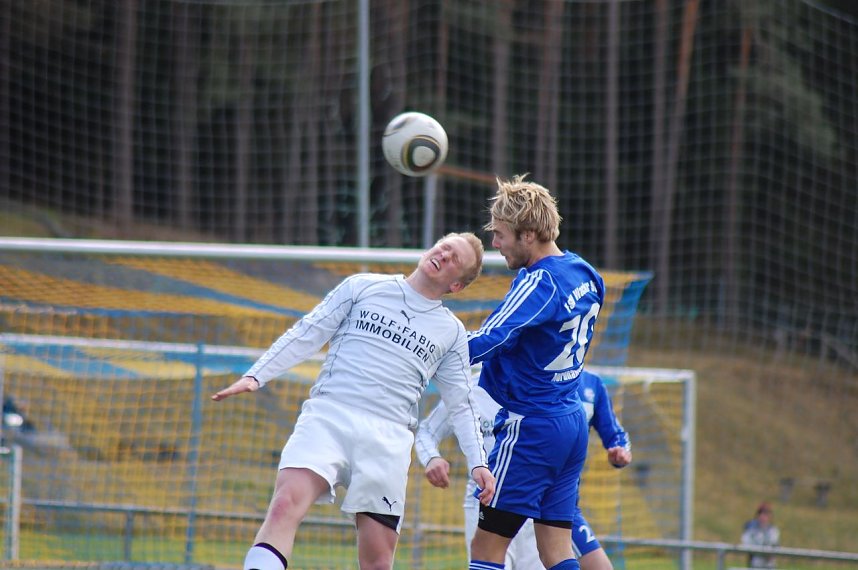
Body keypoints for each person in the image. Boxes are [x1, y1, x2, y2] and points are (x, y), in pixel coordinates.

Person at [211, 232, 496, 570]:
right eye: (444, 247)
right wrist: (255, 376)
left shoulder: (451, 332)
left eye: (455, 260)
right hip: (328, 416)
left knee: (377, 560)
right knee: (284, 505)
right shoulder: (363, 286)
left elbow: (461, 403)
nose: (444, 255)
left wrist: (478, 462)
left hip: (387, 439)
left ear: (456, 287)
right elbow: (308, 331)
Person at [467, 174, 606, 570]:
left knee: (487, 549)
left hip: (532, 428)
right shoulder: (584, 272)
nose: (495, 244)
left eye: (500, 235)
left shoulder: (539, 281)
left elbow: (494, 336)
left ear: (528, 234)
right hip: (571, 420)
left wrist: (430, 350)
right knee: (556, 550)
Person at [415, 368, 631, 569]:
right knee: (487, 555)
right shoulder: (470, 391)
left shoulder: (559, 392)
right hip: (485, 501)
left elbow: (613, 436)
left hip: (538, 504)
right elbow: (426, 430)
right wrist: (431, 458)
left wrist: (620, 451)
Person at [741, 502, 780, 568]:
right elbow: (745, 543)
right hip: (755, 564)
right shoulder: (751, 529)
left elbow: (774, 545)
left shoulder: (773, 531)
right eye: (761, 513)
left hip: (769, 565)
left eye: (766, 514)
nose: (763, 517)